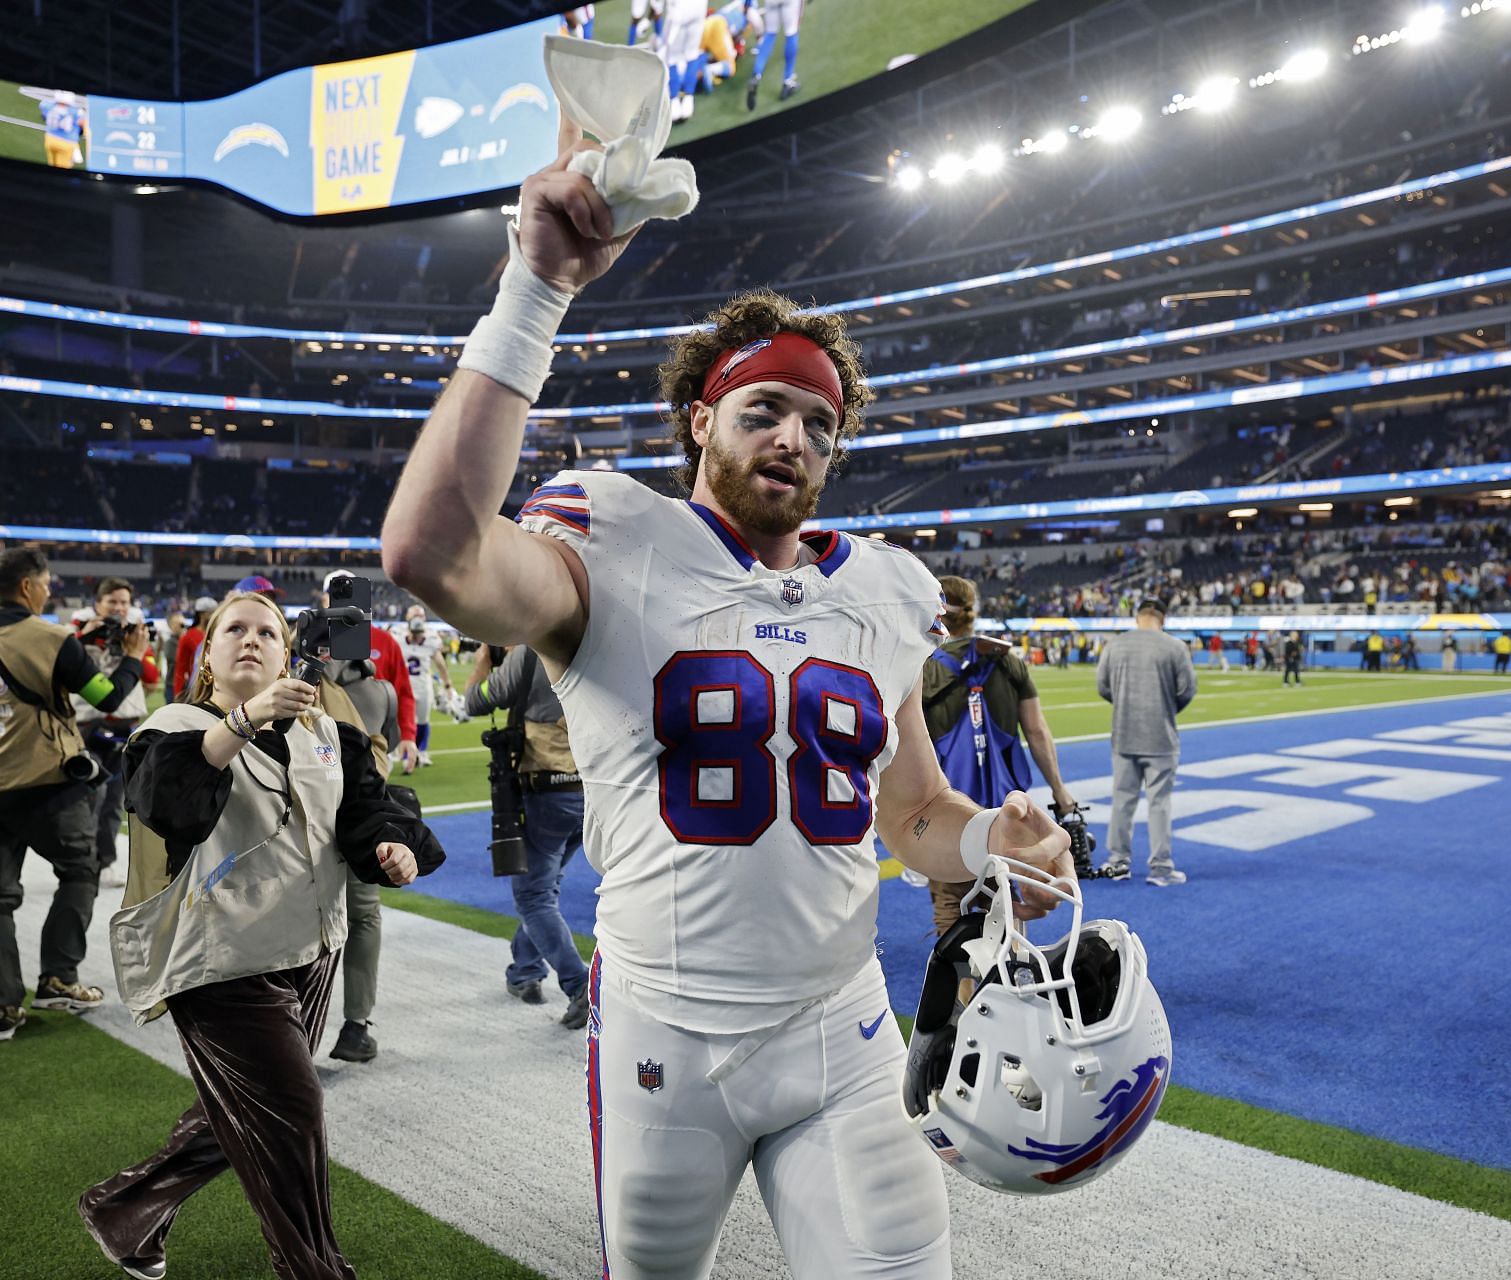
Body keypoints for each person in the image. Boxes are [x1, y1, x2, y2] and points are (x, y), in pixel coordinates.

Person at [381, 124, 1073, 1280]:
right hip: (664, 1032)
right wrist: (537, 286)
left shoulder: (887, 589)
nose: (794, 437)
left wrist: (987, 837)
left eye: (820, 424)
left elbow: (908, 814)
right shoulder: (614, 538)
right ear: (700, 418)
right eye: (765, 410)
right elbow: (430, 550)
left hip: (840, 1022)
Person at [76, 590, 443, 1280]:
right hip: (221, 959)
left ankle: (124, 1210)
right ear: (208, 655)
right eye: (233, 630)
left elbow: (370, 812)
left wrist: (395, 847)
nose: (251, 640)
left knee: (244, 1106)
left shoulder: (329, 734)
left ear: (288, 651)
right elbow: (167, 805)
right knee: (295, 1107)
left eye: (267, 632)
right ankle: (315, 1269)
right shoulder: (175, 726)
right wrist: (242, 721)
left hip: (311, 948)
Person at [0, 546, 147, 1043]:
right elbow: (107, 698)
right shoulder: (51, 638)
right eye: (47, 582)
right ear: (28, 585)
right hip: (45, 786)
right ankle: (58, 977)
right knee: (80, 869)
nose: (50, 589)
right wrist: (134, 657)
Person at [920, 575, 1081, 930]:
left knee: (951, 900)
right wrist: (1060, 792)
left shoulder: (922, 666)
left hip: (947, 805)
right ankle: (1010, 974)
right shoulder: (1008, 661)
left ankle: (961, 981)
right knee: (1006, 896)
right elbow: (1037, 732)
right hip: (1004, 804)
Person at [312, 569, 420, 1064]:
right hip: (360, 815)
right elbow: (391, 733)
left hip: (305, 813)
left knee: (297, 915)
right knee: (363, 915)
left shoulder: (301, 674)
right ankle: (356, 1026)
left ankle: (292, 1024)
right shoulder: (378, 688)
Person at [467, 643, 592, 1029]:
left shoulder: (529, 650)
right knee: (543, 885)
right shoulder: (591, 637)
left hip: (547, 790)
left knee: (533, 896)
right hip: (590, 790)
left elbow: (477, 701)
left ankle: (580, 986)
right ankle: (525, 971)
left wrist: (482, 665)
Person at [1096, 598, 1196, 885]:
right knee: (1159, 803)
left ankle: (1117, 862)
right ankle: (1161, 868)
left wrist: (1125, 704)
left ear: (1137, 617)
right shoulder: (1175, 647)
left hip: (1124, 734)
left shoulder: (1115, 645)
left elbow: (1103, 686)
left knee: (1121, 801)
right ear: (1163, 618)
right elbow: (1187, 690)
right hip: (1161, 738)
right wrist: (1165, 707)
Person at [70, 578, 163, 883]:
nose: (119, 608)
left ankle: (106, 859)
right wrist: (87, 636)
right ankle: (82, 858)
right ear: (97, 603)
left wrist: (133, 647)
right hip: (88, 723)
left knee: (114, 800)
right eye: (112, 601)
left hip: (126, 725)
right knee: (87, 799)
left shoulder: (133, 632)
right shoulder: (77, 630)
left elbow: (151, 674)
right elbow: (68, 664)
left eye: (124, 602)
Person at [398, 608, 452, 766]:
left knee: (422, 721)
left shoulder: (431, 638)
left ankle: (421, 752)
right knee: (405, 721)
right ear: (407, 616)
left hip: (423, 685)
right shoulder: (397, 634)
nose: (417, 618)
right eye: (414, 614)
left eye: (420, 615)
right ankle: (407, 754)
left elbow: (440, 664)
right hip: (403, 686)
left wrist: (448, 685)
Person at [171, 596, 216, 701]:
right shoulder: (188, 637)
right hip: (196, 690)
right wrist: (178, 694)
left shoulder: (217, 634)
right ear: (201, 614)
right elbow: (181, 667)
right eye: (210, 612)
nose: (214, 616)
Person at [40, 88, 87, 168]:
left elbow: (44, 116)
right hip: (67, 142)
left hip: (50, 139)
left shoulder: (47, 105)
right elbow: (83, 123)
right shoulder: (76, 111)